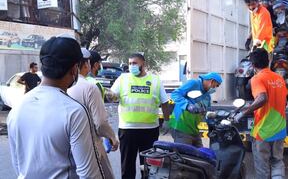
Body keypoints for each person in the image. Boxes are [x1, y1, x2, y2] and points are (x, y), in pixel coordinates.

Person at [7, 35, 105, 178]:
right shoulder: (74, 111)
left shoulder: (17, 108)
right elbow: (89, 174)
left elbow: (19, 165)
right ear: (74, 69)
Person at [110, 53, 171, 179]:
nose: (132, 66)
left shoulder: (155, 80)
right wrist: (111, 96)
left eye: (135, 63)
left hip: (149, 131)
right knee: (127, 166)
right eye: (130, 63)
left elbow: (165, 102)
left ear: (143, 64)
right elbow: (113, 94)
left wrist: (166, 121)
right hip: (127, 130)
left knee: (149, 167)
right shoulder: (123, 78)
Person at [234, 48, 288, 179]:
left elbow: (262, 98)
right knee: (277, 162)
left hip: (263, 130)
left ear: (252, 65)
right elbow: (285, 102)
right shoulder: (279, 78)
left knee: (262, 167)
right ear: (268, 61)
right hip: (280, 128)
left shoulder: (257, 78)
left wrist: (243, 113)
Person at [68, 48, 119, 179]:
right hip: (90, 145)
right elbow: (100, 123)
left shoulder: (60, 86)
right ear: (86, 64)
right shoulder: (91, 86)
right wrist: (112, 137)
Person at [169, 72, 222, 148]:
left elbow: (206, 113)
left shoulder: (207, 97)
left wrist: (212, 125)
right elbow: (175, 94)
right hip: (181, 126)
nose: (215, 88)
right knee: (185, 156)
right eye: (216, 85)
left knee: (200, 156)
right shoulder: (194, 83)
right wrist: (187, 105)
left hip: (194, 130)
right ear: (212, 81)